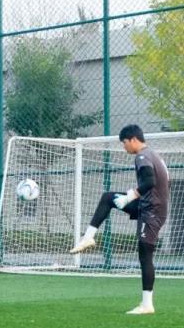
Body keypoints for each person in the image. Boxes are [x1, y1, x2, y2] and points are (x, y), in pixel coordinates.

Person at [69, 124, 170, 314]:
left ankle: (147, 305)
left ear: (133, 139)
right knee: (108, 198)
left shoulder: (142, 156)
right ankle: (88, 237)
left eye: (124, 143)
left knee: (145, 255)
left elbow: (150, 182)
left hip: (152, 212)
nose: (124, 147)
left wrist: (130, 197)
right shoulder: (155, 156)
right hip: (148, 207)